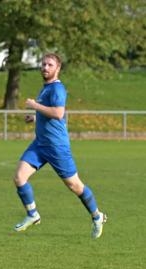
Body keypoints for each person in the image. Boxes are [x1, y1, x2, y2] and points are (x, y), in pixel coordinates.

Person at [13, 53, 107, 238]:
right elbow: (55, 115)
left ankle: (97, 216)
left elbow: (57, 113)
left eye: (49, 65)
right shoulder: (46, 88)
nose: (45, 67)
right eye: (43, 64)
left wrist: (34, 106)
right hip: (40, 144)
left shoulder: (57, 89)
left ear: (58, 68)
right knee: (19, 177)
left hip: (56, 147)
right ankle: (33, 215)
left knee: (75, 186)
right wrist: (35, 117)